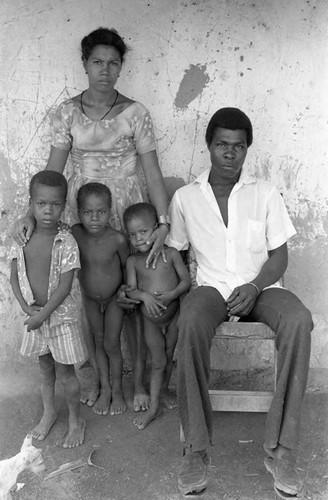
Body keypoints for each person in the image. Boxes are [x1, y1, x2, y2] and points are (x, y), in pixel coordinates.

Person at [12, 27, 170, 411]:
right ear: (84, 64)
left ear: (121, 68)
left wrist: (163, 222)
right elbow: (53, 169)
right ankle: (94, 378)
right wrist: (28, 214)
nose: (105, 69)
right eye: (97, 62)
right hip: (84, 213)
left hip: (126, 213)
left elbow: (152, 172)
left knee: (129, 296)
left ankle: (135, 383)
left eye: (113, 63)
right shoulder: (66, 112)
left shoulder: (136, 113)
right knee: (85, 295)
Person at [166, 107, 313, 498]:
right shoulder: (185, 198)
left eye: (238, 147)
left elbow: (280, 256)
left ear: (247, 149)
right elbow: (176, 250)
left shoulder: (264, 193)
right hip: (212, 288)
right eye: (221, 145)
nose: (230, 154)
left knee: (299, 320)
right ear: (208, 145)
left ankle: (282, 449)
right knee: (191, 319)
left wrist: (254, 285)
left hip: (263, 288)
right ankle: (195, 450)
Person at [9, 170, 87, 448]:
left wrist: (42, 315)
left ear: (64, 205)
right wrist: (26, 309)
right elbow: (14, 276)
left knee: (66, 373)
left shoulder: (66, 241)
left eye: (55, 205)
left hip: (60, 320)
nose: (48, 210)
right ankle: (49, 412)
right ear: (31, 203)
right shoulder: (22, 238)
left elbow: (65, 287)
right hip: (34, 317)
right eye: (41, 204)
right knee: (45, 370)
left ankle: (76, 420)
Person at [123, 203, 191, 430]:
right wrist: (144, 296)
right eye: (132, 235)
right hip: (150, 320)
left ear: (157, 229)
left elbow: (186, 282)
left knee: (170, 354)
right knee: (159, 361)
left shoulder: (171, 255)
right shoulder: (133, 262)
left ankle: (163, 391)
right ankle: (153, 408)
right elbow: (130, 290)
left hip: (173, 316)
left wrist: (171, 294)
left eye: (143, 232)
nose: (139, 239)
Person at [72, 183, 129, 416]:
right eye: (87, 212)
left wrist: (126, 291)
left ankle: (118, 391)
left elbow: (127, 266)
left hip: (115, 298)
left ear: (110, 211)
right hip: (91, 299)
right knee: (97, 342)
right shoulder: (75, 233)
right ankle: (104, 389)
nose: (94, 218)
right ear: (79, 213)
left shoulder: (118, 240)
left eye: (101, 212)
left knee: (111, 345)